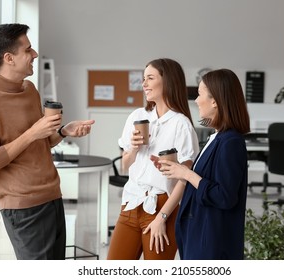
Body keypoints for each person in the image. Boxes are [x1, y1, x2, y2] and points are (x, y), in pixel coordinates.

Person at [0, 23, 95, 260]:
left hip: (52, 196)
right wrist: (32, 133)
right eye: (28, 50)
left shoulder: (29, 89)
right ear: (8, 58)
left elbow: (41, 143)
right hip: (23, 209)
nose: (35, 55)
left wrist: (63, 131)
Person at [107, 58, 200, 260]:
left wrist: (162, 217)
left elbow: (184, 181)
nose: (144, 84)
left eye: (150, 78)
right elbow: (124, 166)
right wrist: (133, 148)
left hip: (163, 206)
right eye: (143, 78)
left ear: (167, 82)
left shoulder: (181, 125)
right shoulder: (137, 116)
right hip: (131, 202)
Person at [159, 69, 250, 260]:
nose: (196, 100)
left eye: (200, 94)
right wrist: (178, 170)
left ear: (215, 100)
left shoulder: (231, 142)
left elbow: (224, 196)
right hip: (200, 236)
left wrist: (187, 173)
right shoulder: (217, 138)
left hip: (211, 245)